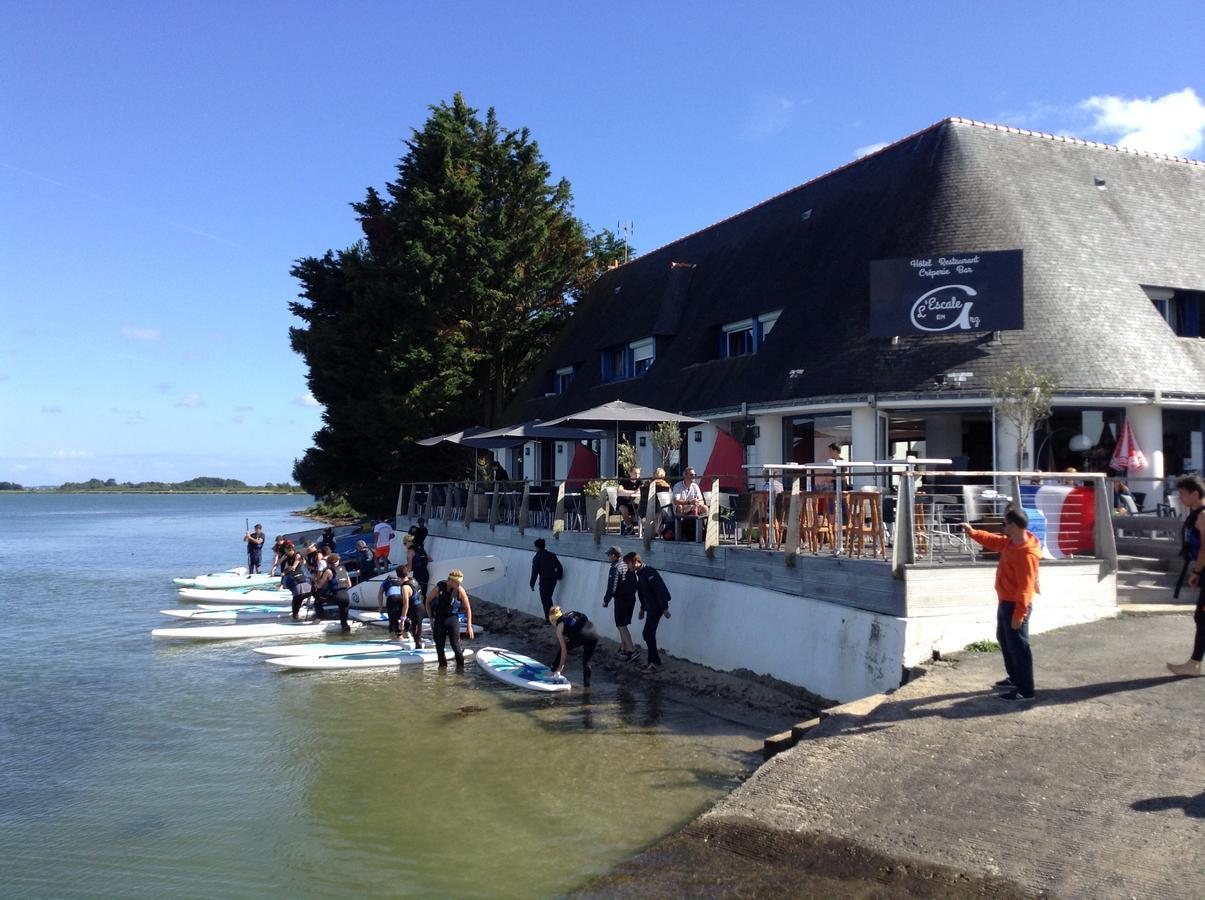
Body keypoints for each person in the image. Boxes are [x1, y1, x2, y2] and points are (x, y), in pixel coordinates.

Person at [959, 509, 1042, 701]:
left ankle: (1025, 690)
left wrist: (1019, 614)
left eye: (1005, 524)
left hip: (1016, 605)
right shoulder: (1012, 542)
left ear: (1014, 525)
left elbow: (1026, 587)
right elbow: (994, 541)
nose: (1003, 527)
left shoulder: (1026, 554)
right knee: (1005, 639)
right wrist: (973, 532)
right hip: (1006, 601)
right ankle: (1015, 678)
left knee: (1019, 646)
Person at [1167, 475, 1205, 677]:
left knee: (1203, 617)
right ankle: (1195, 663)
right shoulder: (1197, 514)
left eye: (1182, 493)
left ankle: (1194, 664)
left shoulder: (1202, 515)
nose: (1179, 497)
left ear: (1195, 494)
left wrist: (1197, 571)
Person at [626, 552, 672, 674]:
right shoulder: (640, 574)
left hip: (657, 607)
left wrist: (664, 608)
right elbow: (643, 593)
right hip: (651, 607)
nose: (628, 567)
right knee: (648, 634)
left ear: (635, 562)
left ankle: (655, 663)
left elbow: (660, 591)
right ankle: (652, 662)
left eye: (628, 564)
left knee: (648, 634)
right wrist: (642, 609)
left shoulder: (649, 572)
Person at [428, 570, 474, 669]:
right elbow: (427, 602)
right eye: (457, 582)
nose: (459, 584)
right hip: (439, 619)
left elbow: (468, 608)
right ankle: (442, 673)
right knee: (439, 648)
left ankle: (461, 671)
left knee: (456, 646)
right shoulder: (438, 588)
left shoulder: (460, 590)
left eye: (460, 582)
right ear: (450, 580)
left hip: (452, 619)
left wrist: (469, 626)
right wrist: (431, 618)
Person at [602, 545, 640, 662]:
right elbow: (635, 582)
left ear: (614, 555)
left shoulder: (615, 567)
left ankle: (632, 651)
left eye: (609, 554)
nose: (608, 557)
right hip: (631, 599)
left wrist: (606, 600)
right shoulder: (627, 564)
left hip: (621, 600)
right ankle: (623, 649)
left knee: (621, 625)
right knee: (623, 624)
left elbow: (612, 587)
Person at [548, 606, 598, 687]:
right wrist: (571, 636)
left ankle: (553, 670)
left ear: (553, 620)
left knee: (564, 646)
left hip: (582, 634)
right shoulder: (570, 614)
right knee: (587, 660)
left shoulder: (559, 627)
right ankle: (586, 685)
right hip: (593, 632)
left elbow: (564, 650)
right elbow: (583, 618)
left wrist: (560, 669)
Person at [313, 552, 352, 631]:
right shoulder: (344, 569)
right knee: (343, 608)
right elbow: (349, 584)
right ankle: (344, 625)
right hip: (346, 596)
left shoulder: (328, 571)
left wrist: (315, 583)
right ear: (338, 561)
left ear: (329, 563)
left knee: (318, 601)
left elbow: (320, 585)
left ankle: (318, 619)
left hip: (336, 596)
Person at [377, 564, 415, 641]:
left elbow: (380, 594)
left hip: (392, 598)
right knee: (404, 615)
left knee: (392, 618)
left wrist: (380, 607)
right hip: (402, 597)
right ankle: (407, 630)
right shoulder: (402, 580)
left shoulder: (386, 581)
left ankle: (397, 636)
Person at [529, 538, 564, 618]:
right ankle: (553, 617)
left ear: (537, 547)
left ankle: (551, 618)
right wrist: (558, 576)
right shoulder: (552, 555)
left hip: (544, 581)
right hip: (553, 580)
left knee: (545, 600)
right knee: (548, 598)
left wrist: (532, 584)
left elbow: (534, 572)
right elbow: (559, 567)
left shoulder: (537, 558)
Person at [282, 549, 312, 620]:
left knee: (296, 600)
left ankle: (295, 616)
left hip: (299, 594)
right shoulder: (302, 571)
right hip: (310, 592)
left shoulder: (287, 577)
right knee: (300, 595)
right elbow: (310, 578)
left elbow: (286, 586)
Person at [616, 465, 645, 534]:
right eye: (635, 473)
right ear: (630, 473)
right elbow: (619, 491)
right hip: (622, 502)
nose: (637, 475)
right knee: (624, 509)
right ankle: (629, 526)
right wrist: (633, 492)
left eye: (638, 473)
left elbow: (641, 490)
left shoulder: (639, 481)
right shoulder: (624, 480)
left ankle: (626, 524)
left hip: (633, 503)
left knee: (640, 509)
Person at [407, 534, 431, 603]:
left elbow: (409, 567)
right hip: (425, 573)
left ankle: (417, 609)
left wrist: (403, 574)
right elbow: (429, 559)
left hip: (418, 574)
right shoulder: (420, 548)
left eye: (405, 543)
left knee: (417, 593)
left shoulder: (410, 551)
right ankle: (425, 609)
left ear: (409, 542)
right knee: (423, 593)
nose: (404, 545)